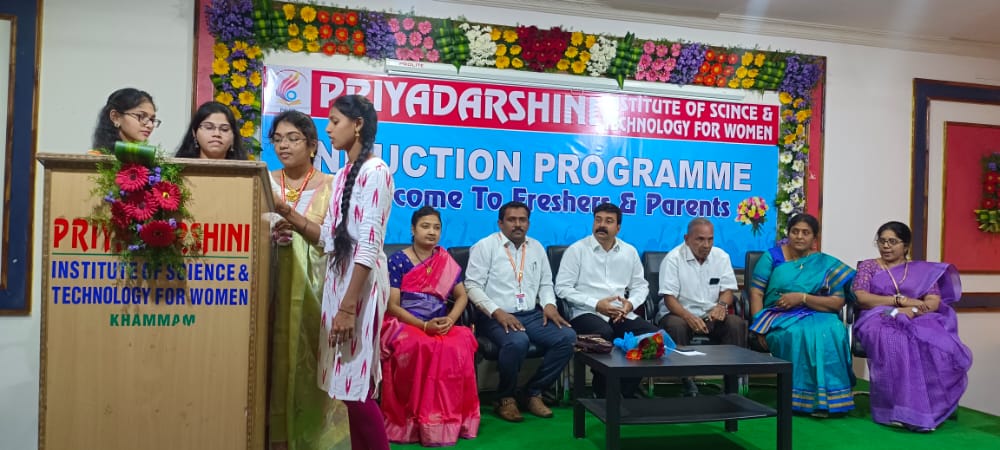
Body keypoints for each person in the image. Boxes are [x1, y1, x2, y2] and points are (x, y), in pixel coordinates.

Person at [274, 94, 393, 450]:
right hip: (339, 284)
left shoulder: (376, 172)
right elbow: (327, 238)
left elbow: (368, 246)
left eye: (335, 121)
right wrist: (287, 212)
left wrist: (347, 307)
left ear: (357, 125)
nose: (327, 128)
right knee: (344, 388)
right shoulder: (342, 175)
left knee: (357, 390)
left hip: (358, 289)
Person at [264, 110, 343, 449]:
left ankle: (313, 438)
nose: (284, 145)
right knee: (270, 361)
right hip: (269, 286)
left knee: (312, 364)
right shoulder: (264, 180)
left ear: (312, 145)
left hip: (316, 289)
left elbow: (336, 239)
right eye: (278, 139)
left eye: (293, 138)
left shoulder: (332, 184)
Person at [851, 221, 972, 432]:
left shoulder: (921, 271)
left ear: (905, 245)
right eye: (882, 241)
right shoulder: (869, 266)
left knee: (938, 342)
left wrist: (913, 310)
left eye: (892, 241)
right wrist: (900, 302)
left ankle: (930, 407)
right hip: (877, 316)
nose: (886, 246)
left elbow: (933, 301)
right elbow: (862, 297)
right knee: (895, 339)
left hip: (916, 316)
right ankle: (896, 409)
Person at [465, 201, 576, 423]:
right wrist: (497, 312)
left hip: (531, 314)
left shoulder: (536, 247)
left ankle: (533, 392)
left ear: (528, 223)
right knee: (518, 341)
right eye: (512, 220)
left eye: (522, 220)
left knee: (567, 337)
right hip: (495, 316)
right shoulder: (485, 246)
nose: (518, 224)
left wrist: (549, 305)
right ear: (500, 223)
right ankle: (505, 397)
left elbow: (546, 283)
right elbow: (472, 286)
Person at [381, 206, 479, 446]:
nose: (432, 232)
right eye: (425, 226)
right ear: (413, 229)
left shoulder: (445, 261)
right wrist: (424, 326)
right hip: (407, 321)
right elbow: (392, 305)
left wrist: (451, 320)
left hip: (440, 323)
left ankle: (448, 420)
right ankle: (413, 420)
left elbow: (462, 296)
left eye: (436, 227)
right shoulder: (398, 260)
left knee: (461, 341)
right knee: (420, 345)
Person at [748, 213, 855, 416]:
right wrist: (759, 326)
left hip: (818, 312)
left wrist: (803, 298)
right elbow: (756, 293)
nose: (799, 236)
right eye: (795, 231)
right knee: (797, 334)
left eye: (805, 233)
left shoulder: (825, 264)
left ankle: (831, 400)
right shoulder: (772, 257)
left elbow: (837, 302)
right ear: (788, 234)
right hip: (778, 316)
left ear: (814, 238)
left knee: (833, 329)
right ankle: (798, 399)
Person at [555, 202, 658, 398]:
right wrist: (596, 304)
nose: (601, 225)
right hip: (585, 312)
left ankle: (626, 390)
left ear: (618, 228)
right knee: (604, 333)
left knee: (651, 337)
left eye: (609, 221)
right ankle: (602, 391)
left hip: (620, 313)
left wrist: (630, 304)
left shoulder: (629, 252)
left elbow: (640, 286)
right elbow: (562, 288)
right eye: (598, 220)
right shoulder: (577, 250)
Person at [656, 217, 747, 396]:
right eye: (700, 239)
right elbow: (669, 298)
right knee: (676, 326)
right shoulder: (673, 259)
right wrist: (688, 317)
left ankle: (731, 384)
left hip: (710, 315)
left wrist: (721, 305)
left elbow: (727, 291)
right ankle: (687, 382)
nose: (706, 245)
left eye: (710, 239)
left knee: (736, 324)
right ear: (687, 238)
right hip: (680, 313)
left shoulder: (721, 257)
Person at [89, 87, 159, 155]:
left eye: (152, 119)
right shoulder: (97, 158)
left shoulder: (147, 159)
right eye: (141, 116)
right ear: (115, 117)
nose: (150, 125)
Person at [175, 101, 248, 160]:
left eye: (224, 129)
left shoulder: (247, 172)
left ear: (233, 136)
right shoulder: (176, 170)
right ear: (194, 133)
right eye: (209, 127)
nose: (217, 134)